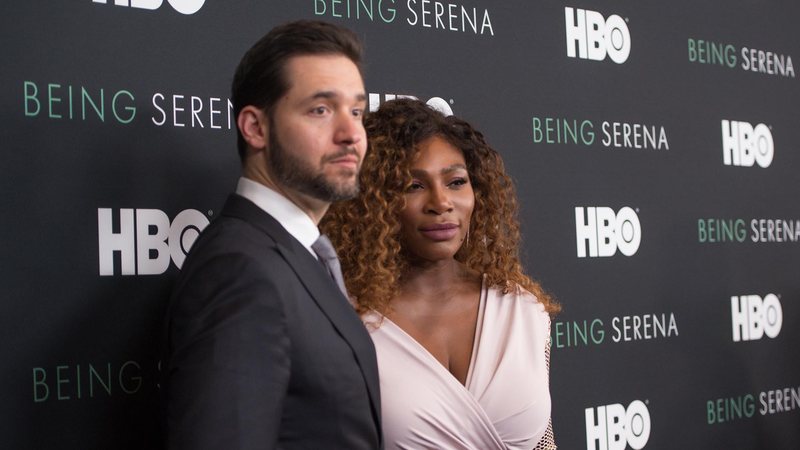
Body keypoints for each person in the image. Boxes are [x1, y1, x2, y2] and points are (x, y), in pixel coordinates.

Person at [160, 20, 382, 449]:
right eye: (321, 109)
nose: (351, 134)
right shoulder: (239, 271)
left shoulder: (297, 253)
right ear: (255, 128)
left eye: (356, 111)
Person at [321, 98, 560, 449]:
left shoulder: (522, 309)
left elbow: (544, 442)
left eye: (456, 182)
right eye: (413, 186)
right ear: (372, 202)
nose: (441, 202)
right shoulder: (343, 322)